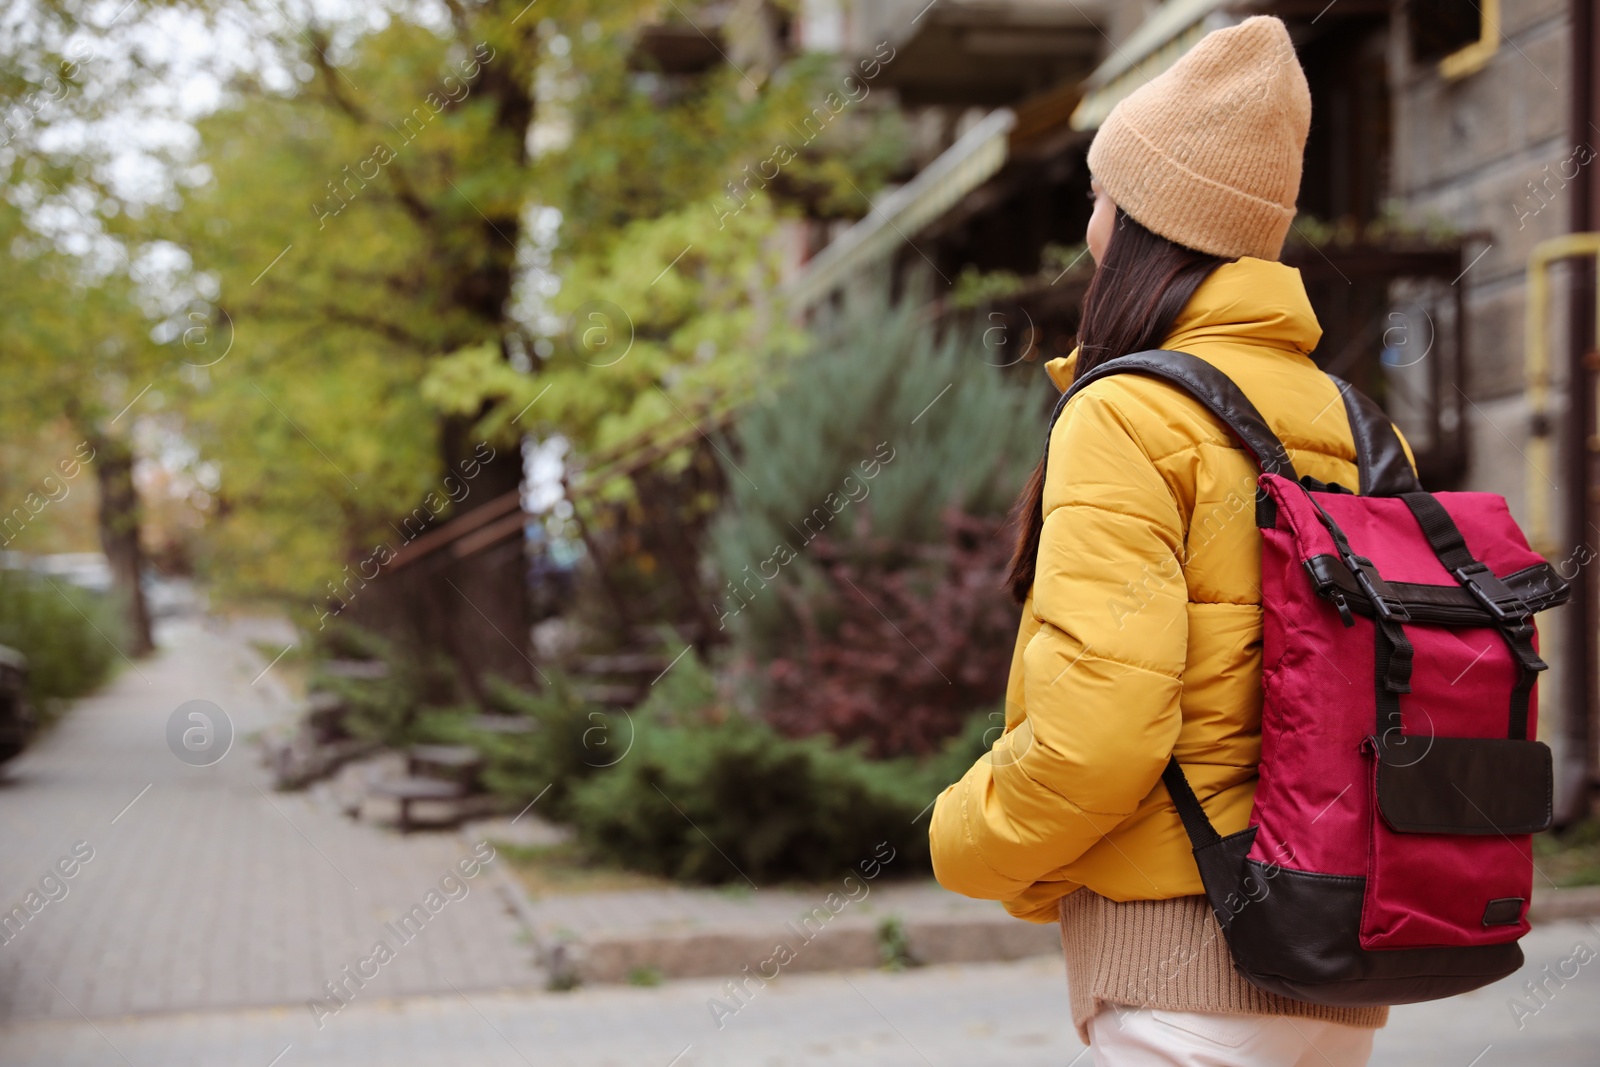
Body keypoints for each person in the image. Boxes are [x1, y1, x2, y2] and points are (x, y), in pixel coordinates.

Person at [929, 16, 1392, 1067]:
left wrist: (963, 836)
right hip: (1341, 952)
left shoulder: (1126, 415)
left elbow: (1098, 732)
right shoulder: (1359, 421)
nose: (1088, 218)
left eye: (1101, 193)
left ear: (1143, 218)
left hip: (1187, 959)